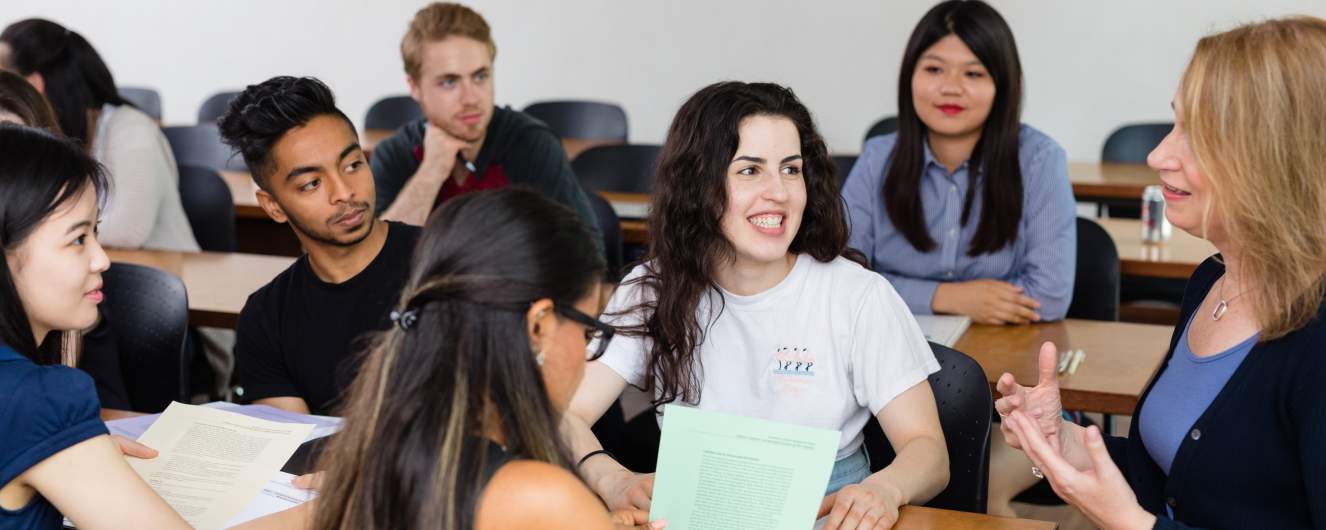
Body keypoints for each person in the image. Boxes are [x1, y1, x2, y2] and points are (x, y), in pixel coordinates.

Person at [562, 81, 948, 530]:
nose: (779, 193)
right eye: (749, 171)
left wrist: (886, 489)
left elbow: (929, 452)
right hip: (692, 516)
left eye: (790, 169)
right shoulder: (652, 288)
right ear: (698, 183)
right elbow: (560, 413)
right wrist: (609, 478)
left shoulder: (857, 295)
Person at [996, 17, 1326, 530]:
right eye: (1174, 124)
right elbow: (1171, 478)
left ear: (1275, 157)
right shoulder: (1211, 282)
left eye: (1196, 134)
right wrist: (1064, 442)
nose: (1157, 155)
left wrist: (1133, 524)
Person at [234, 189, 663, 530]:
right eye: (589, 332)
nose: (588, 352)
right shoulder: (542, 496)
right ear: (539, 326)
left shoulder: (378, 460)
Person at [0, 123, 189, 529]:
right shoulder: (37, 400)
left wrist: (71, 447)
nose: (102, 259)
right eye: (77, 239)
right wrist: (344, 493)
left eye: (96, 232)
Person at [841, 0, 1075, 325]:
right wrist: (947, 297)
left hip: (1003, 351)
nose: (951, 87)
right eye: (934, 69)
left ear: (1002, 86)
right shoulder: (877, 158)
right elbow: (842, 280)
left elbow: (1049, 296)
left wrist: (898, 291)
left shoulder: (1040, 160)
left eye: (973, 73)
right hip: (889, 342)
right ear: (910, 76)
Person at [218, 76, 421, 416]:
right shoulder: (266, 319)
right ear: (273, 206)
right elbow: (295, 447)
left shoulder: (447, 263)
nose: (344, 192)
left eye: (353, 165)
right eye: (312, 183)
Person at [370, 2, 599, 239]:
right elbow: (375, 263)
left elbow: (588, 252)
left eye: (480, 76)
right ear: (415, 87)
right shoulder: (393, 154)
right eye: (450, 81)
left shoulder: (531, 143)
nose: (471, 98)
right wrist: (431, 172)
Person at [0, 18, 199, 252]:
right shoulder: (41, 138)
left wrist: (29, 232)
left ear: (34, 84)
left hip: (157, 279)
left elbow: (128, 232)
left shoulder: (133, 129)